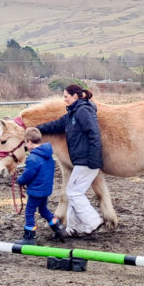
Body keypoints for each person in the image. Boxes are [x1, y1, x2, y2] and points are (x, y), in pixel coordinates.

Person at [37, 84, 104, 237]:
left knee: (73, 192)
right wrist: (36, 129)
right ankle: (74, 228)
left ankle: (93, 221)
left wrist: (93, 159)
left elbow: (94, 134)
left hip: (87, 161)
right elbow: (56, 125)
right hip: (82, 160)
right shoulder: (72, 114)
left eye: (66, 96)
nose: (64, 99)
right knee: (74, 192)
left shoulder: (83, 111)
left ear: (75, 96)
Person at [15, 127, 66, 245]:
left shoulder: (33, 157)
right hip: (45, 189)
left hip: (36, 191)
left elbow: (28, 175)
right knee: (43, 210)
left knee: (29, 212)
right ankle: (58, 228)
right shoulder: (48, 155)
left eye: (25, 143)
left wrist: (20, 180)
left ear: (29, 142)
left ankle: (29, 237)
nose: (26, 146)